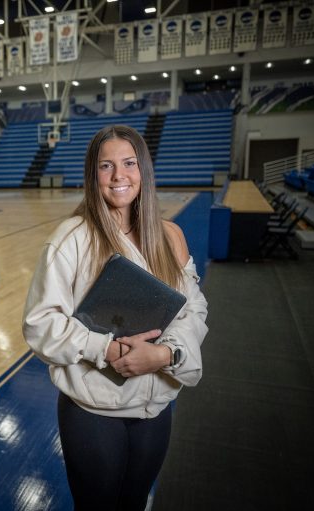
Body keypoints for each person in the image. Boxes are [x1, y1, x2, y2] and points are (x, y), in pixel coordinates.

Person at [22, 125, 208, 510]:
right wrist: (106, 349)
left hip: (155, 407)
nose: (119, 176)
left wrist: (167, 355)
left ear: (144, 170)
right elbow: (41, 323)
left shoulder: (170, 235)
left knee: (135, 502)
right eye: (106, 166)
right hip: (93, 412)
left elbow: (194, 307)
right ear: (93, 175)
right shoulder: (72, 237)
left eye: (129, 163)